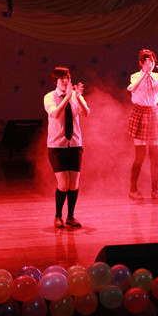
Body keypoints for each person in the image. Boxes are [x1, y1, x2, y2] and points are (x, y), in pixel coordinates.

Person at [44, 66, 90, 229]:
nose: (66, 81)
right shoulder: (49, 97)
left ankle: (70, 216)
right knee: (63, 183)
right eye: (62, 78)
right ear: (55, 81)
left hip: (75, 144)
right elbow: (55, 114)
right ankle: (58, 216)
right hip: (57, 145)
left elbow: (86, 113)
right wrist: (67, 98)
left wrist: (78, 98)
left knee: (74, 184)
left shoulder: (75, 96)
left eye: (68, 78)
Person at [127, 49, 158, 198]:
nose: (151, 64)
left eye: (153, 61)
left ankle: (155, 190)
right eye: (148, 62)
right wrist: (145, 74)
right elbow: (133, 88)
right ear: (141, 63)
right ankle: (133, 190)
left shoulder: (156, 77)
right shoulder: (135, 76)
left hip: (154, 113)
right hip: (140, 113)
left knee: (155, 156)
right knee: (140, 156)